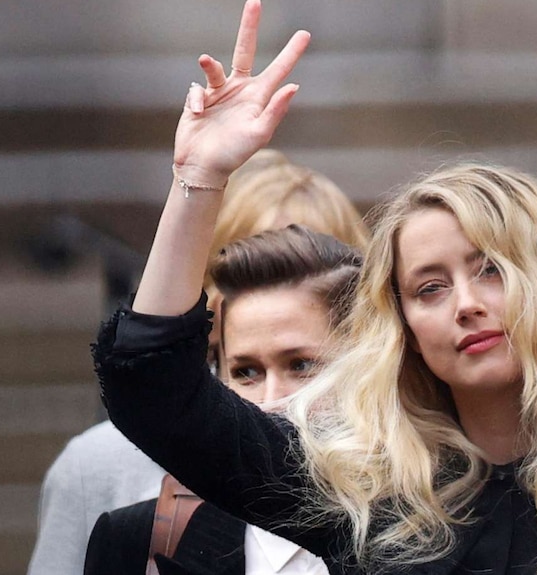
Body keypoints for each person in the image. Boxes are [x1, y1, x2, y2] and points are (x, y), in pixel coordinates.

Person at [93, 1, 537, 573]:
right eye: (429, 288)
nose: (466, 302)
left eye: (491, 267)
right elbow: (153, 387)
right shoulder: (358, 491)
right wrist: (199, 177)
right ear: (402, 324)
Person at [28, 149, 367, 575]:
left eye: (323, 259)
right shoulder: (102, 469)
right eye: (247, 260)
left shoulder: (420, 497)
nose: (272, 400)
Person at [84, 225, 361, 575]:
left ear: (366, 368)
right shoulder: (137, 542)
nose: (271, 401)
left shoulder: (422, 542)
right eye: (246, 372)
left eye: (301, 366)